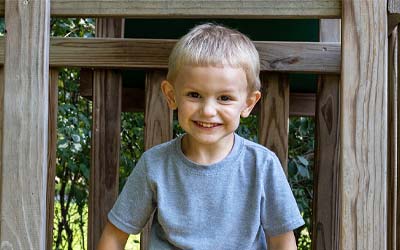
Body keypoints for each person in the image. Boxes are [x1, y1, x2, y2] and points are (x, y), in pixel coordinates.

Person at [97, 23, 304, 250]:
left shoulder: (262, 165)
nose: (207, 110)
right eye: (194, 95)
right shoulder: (154, 164)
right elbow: (114, 237)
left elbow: (283, 242)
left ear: (248, 104)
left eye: (224, 98)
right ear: (171, 95)